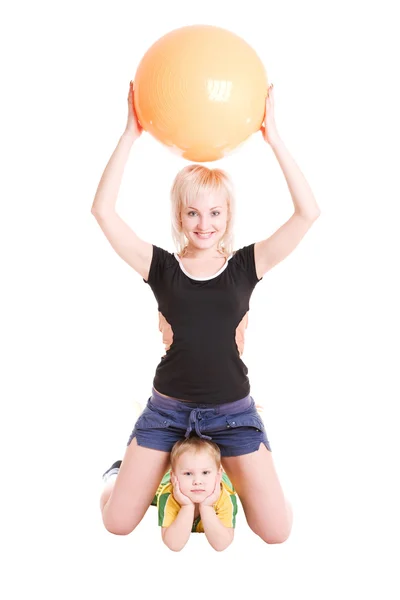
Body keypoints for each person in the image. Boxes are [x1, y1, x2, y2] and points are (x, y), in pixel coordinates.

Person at [92, 80, 320, 544]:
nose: (204, 224)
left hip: (232, 415)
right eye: (194, 214)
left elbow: (307, 214)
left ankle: (227, 480)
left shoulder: (244, 267)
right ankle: (136, 474)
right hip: (168, 412)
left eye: (215, 214)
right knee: (116, 523)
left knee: (277, 531)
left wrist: (273, 137)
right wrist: (129, 135)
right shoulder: (161, 267)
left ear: (227, 216)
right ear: (180, 217)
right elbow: (103, 211)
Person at [103, 435, 238, 551]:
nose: (197, 481)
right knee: (128, 492)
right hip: (167, 480)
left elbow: (222, 545)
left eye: (205, 473)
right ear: (175, 478)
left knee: (227, 470)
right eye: (188, 474)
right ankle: (116, 472)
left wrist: (207, 507)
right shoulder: (169, 495)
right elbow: (174, 544)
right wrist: (186, 506)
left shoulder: (225, 496)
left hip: (217, 477)